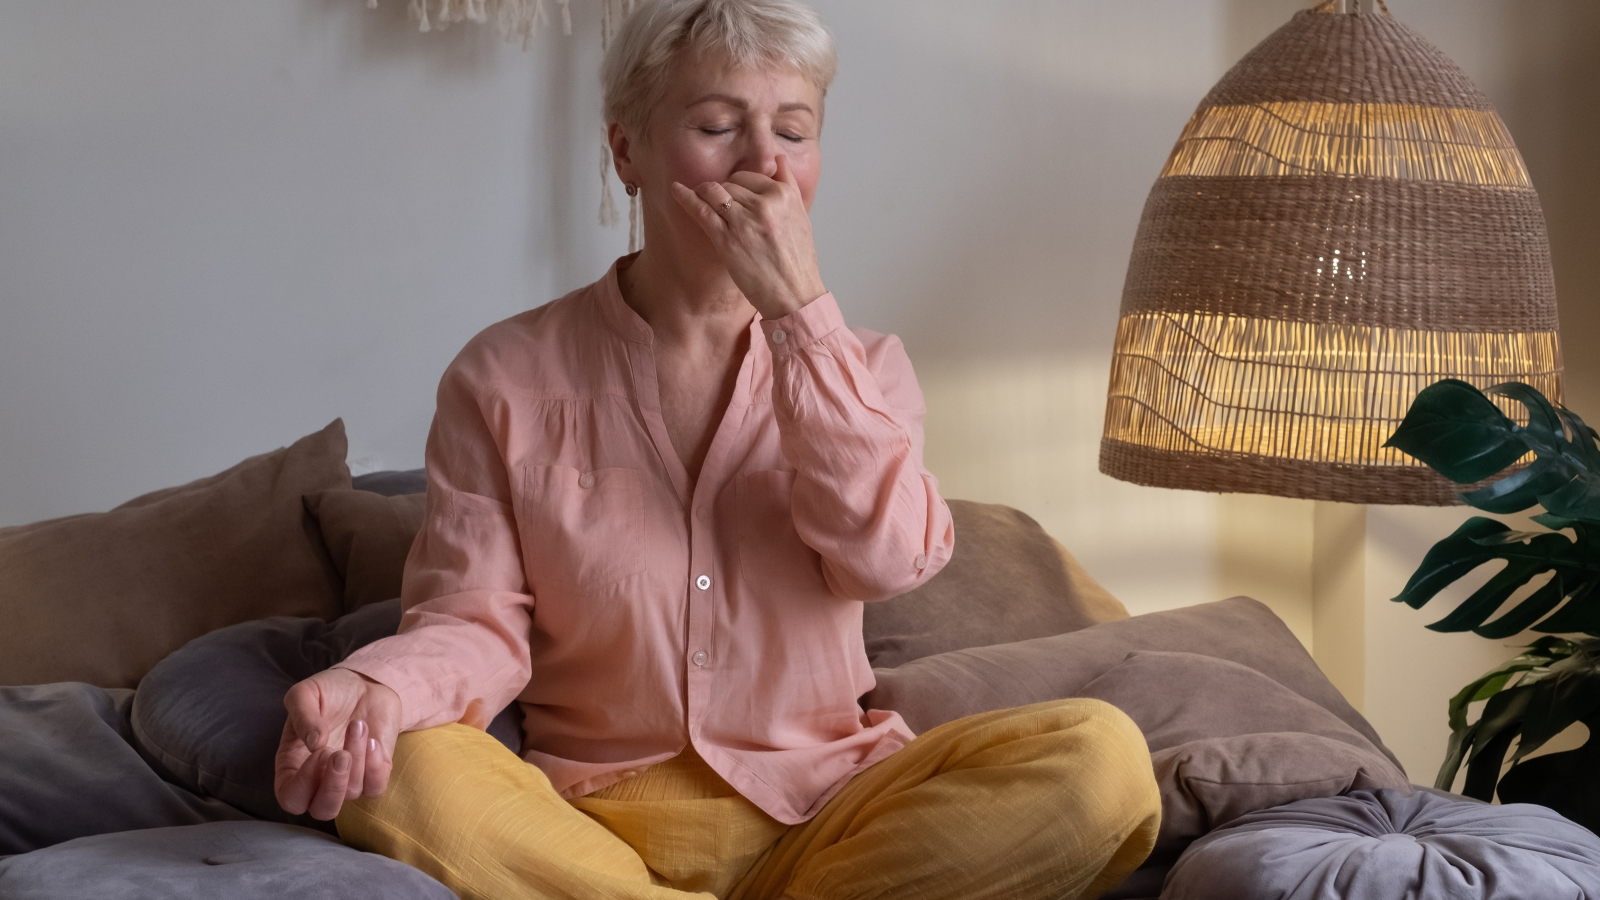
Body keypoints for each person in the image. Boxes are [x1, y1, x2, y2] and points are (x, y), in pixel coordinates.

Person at [273, 1, 1160, 897]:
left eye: (793, 130)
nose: (766, 163)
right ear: (628, 151)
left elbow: (888, 559)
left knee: (1104, 760)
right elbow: (472, 624)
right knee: (402, 772)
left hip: (829, 814)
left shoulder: (870, 371)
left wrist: (801, 320)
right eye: (716, 125)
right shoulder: (501, 376)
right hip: (588, 825)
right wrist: (378, 689)